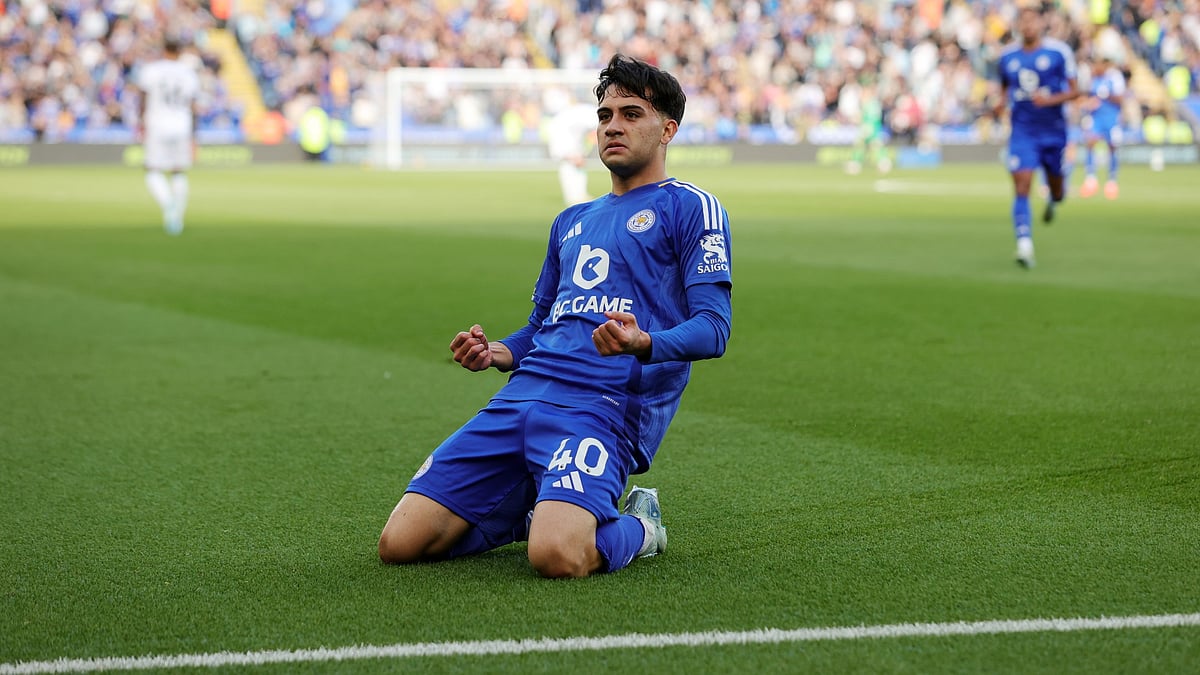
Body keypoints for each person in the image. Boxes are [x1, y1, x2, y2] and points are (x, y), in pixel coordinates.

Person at [377, 54, 733, 579]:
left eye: (632, 114)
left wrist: (644, 343)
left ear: (668, 130)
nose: (613, 126)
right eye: (606, 115)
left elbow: (714, 328)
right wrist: (499, 350)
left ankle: (641, 526)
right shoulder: (570, 220)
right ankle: (539, 506)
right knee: (400, 544)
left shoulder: (691, 207)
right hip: (519, 398)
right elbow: (543, 326)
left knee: (557, 556)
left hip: (600, 409)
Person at [994, 4, 1080, 268]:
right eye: (1024, 21)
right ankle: (1024, 244)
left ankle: (1054, 199)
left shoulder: (1058, 52)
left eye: (1033, 21)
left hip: (1053, 131)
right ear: (1018, 26)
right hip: (1023, 131)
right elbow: (1004, 89)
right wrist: (999, 106)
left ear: (1042, 24)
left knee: (1057, 189)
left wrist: (1051, 100)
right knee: (1022, 184)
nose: (1028, 26)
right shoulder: (1007, 57)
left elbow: (1076, 91)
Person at [135, 36, 201, 236]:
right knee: (179, 171)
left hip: (157, 124)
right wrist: (193, 133)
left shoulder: (151, 70)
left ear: (163, 50)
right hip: (182, 124)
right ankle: (176, 217)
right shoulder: (188, 73)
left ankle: (168, 203)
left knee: (153, 170)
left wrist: (141, 121)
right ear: (179, 52)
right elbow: (193, 105)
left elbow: (143, 98)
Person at [1078, 53, 1126, 200]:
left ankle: (1112, 181)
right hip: (1096, 118)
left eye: (1097, 65)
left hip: (1111, 118)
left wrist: (1106, 96)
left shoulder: (1115, 78)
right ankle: (1091, 179)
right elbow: (1086, 97)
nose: (1095, 68)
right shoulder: (1093, 79)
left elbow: (1120, 99)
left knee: (1112, 147)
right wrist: (1089, 104)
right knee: (1090, 143)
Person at [544, 88, 599, 206]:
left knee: (574, 164)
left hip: (570, 138)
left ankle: (578, 195)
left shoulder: (582, 112)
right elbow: (594, 131)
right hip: (564, 137)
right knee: (572, 164)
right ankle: (575, 196)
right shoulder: (589, 114)